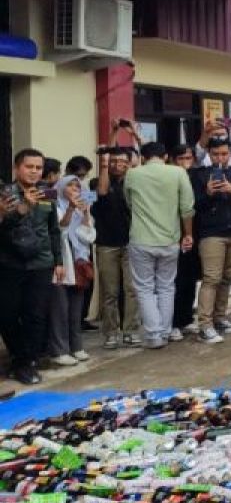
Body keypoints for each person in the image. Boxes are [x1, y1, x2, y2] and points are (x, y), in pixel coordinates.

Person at [0, 149, 63, 385]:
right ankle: (19, 357)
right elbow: (3, 227)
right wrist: (22, 208)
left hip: (41, 263)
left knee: (35, 315)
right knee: (7, 315)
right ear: (17, 168)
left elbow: (53, 230)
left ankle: (27, 362)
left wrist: (58, 261)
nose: (35, 171)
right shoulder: (5, 193)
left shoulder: (47, 192)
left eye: (38, 167)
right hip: (10, 263)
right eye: (30, 167)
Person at [123, 142, 195, 350]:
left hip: (141, 238)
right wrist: (188, 234)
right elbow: (187, 208)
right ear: (165, 156)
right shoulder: (178, 173)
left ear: (143, 157)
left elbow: (129, 203)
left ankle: (154, 335)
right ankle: (164, 331)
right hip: (170, 239)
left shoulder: (133, 174)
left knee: (144, 288)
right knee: (166, 286)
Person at [190, 137, 231, 344]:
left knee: (226, 278)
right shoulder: (199, 175)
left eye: (224, 154)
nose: (220, 158)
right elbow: (194, 205)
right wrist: (208, 193)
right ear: (209, 154)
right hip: (211, 234)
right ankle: (205, 325)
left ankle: (219, 318)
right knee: (211, 278)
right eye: (216, 154)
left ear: (230, 153)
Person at [93, 146, 140, 350]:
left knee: (131, 290)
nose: (117, 165)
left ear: (129, 163)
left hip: (131, 243)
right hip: (106, 244)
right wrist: (104, 165)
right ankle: (111, 333)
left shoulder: (133, 183)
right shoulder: (96, 183)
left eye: (122, 161)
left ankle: (130, 331)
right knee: (109, 291)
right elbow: (101, 193)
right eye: (113, 161)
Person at [46, 175, 94, 367]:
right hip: (61, 262)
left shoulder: (82, 209)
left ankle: (76, 346)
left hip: (79, 262)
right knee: (60, 308)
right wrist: (71, 209)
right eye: (70, 185)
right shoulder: (54, 207)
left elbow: (88, 236)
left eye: (77, 185)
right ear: (60, 187)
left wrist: (86, 213)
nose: (74, 188)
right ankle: (59, 350)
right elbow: (60, 229)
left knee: (76, 308)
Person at [168, 145, 200, 339]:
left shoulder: (196, 177)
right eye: (180, 158)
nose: (185, 161)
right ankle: (173, 323)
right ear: (172, 160)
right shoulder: (169, 178)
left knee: (189, 280)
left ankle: (186, 319)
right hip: (172, 235)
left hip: (194, 234)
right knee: (175, 282)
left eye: (188, 157)